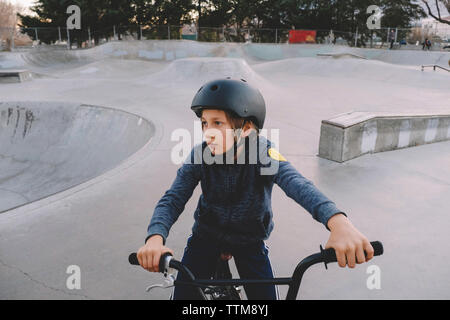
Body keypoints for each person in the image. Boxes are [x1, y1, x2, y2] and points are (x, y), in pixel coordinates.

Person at [136, 78, 375, 300]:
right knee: (184, 298)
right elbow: (173, 198)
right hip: (205, 237)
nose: (208, 132)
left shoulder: (263, 153)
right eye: (204, 123)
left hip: (249, 241)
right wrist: (155, 238)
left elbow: (297, 183)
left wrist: (338, 222)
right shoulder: (200, 154)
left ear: (247, 129)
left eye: (217, 123)